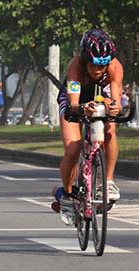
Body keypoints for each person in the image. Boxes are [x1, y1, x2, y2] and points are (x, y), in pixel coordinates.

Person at [54, 28, 123, 226]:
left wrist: (114, 107)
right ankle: (67, 196)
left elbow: (116, 99)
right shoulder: (76, 66)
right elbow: (73, 103)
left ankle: (108, 182)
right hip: (75, 100)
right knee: (73, 148)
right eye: (93, 65)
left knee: (110, 130)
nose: (97, 70)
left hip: (101, 95)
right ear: (85, 59)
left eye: (102, 66)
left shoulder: (115, 68)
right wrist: (81, 108)